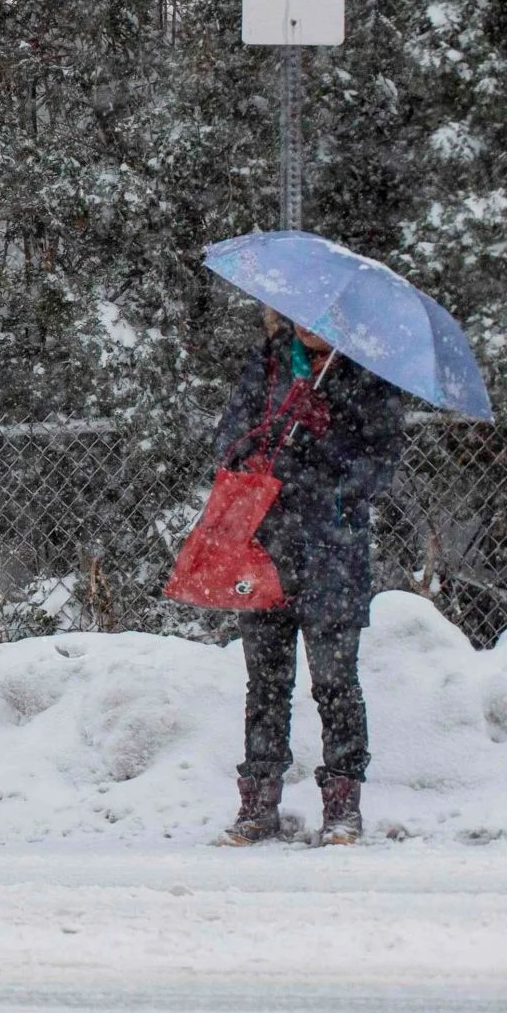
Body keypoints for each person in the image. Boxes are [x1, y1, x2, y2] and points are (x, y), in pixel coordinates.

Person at [211, 306, 408, 846]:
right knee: (266, 683)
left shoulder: (367, 373)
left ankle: (343, 806)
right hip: (266, 547)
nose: (307, 324)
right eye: (296, 314)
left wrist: (330, 460)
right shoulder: (270, 365)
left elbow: (382, 457)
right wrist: (267, 437)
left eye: (321, 316)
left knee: (336, 684)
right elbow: (228, 438)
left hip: (333, 552)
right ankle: (258, 806)